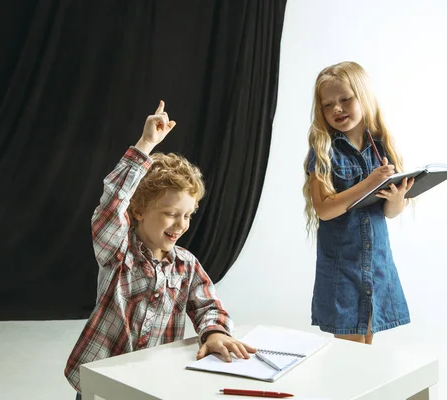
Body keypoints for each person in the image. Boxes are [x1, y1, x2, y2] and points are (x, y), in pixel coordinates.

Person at [65, 101, 256, 398]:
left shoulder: (186, 265)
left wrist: (215, 331)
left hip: (151, 379)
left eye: (188, 215)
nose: (180, 224)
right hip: (103, 380)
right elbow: (113, 202)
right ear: (139, 209)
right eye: (170, 213)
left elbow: (208, 306)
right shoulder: (118, 251)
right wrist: (146, 145)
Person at [303, 62, 413, 345]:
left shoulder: (382, 146)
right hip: (343, 267)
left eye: (345, 100)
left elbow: (389, 212)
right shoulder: (324, 151)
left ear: (363, 97)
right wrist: (369, 183)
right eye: (328, 105)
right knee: (349, 355)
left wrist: (397, 199)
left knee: (366, 351)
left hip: (375, 263)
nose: (337, 109)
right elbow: (325, 210)